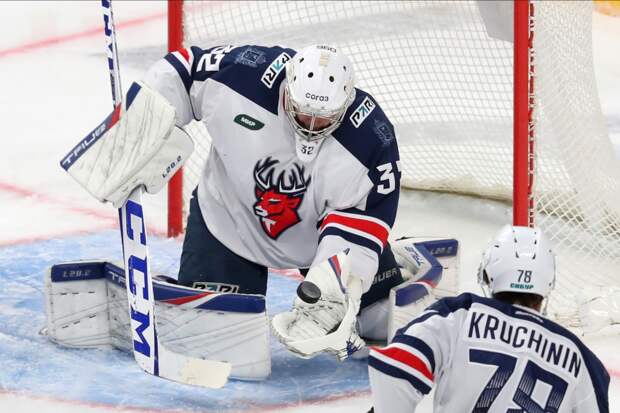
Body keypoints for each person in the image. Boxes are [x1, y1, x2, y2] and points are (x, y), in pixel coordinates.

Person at [141, 44, 407, 359]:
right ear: (286, 89)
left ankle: (398, 264)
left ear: (346, 104)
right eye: (302, 111)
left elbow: (358, 225)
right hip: (230, 221)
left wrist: (330, 293)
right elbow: (182, 71)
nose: (310, 125)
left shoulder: (370, 139)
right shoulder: (244, 76)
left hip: (317, 235)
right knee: (216, 340)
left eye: (323, 118)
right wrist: (142, 125)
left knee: (382, 319)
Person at [368, 225, 610, 412]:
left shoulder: (459, 315)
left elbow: (394, 372)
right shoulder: (581, 359)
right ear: (548, 283)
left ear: (488, 273)